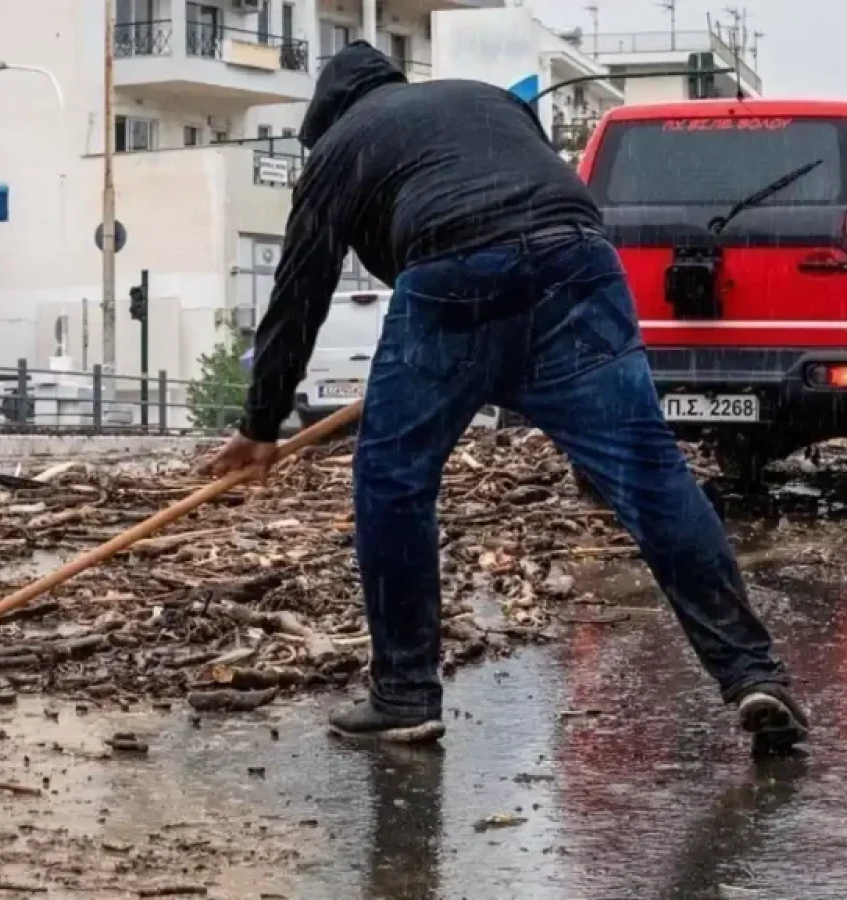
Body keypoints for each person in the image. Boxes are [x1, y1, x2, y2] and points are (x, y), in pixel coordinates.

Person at [207, 41, 808, 754]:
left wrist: (260, 422)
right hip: (578, 264)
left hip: (453, 276)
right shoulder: (487, 100)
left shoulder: (339, 148)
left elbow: (299, 292)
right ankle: (753, 673)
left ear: (328, 115)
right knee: (651, 475)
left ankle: (403, 695)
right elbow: (527, 195)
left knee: (393, 483)